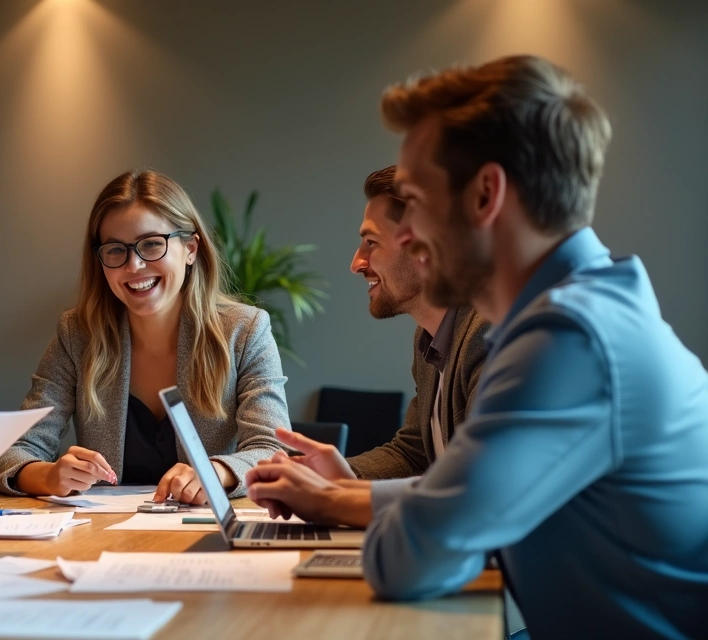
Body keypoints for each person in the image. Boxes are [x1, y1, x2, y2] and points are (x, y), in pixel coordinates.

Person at [247, 55, 708, 638]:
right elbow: (451, 507)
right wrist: (361, 496)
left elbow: (411, 559)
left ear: (486, 194)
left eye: (416, 202)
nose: (405, 235)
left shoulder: (568, 340)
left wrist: (344, 498)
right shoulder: (579, 313)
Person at [0, 169, 288, 504]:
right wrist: (48, 475)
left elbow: (272, 450)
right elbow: (13, 453)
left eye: (152, 244)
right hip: (100, 531)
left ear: (190, 249)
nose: (133, 265)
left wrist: (217, 472)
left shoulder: (245, 330)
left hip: (205, 526)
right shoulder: (77, 335)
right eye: (116, 250)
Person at [270, 166, 490, 526]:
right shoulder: (428, 339)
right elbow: (414, 454)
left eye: (371, 243)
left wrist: (333, 499)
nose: (356, 263)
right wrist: (335, 477)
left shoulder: (487, 332)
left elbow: (479, 486)